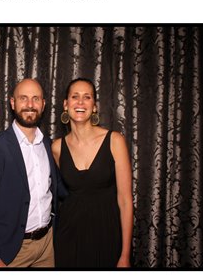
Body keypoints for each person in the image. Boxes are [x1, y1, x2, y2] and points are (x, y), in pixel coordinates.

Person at [0, 78, 61, 268]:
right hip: (12, 250)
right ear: (13, 103)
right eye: (23, 98)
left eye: (36, 98)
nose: (30, 104)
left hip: (48, 246)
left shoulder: (49, 145)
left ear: (43, 104)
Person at [52, 78, 133, 268]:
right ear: (66, 104)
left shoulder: (114, 141)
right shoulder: (56, 147)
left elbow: (125, 201)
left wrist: (125, 255)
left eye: (87, 97)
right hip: (68, 236)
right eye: (75, 96)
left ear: (94, 107)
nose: (80, 102)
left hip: (108, 233)